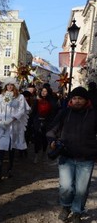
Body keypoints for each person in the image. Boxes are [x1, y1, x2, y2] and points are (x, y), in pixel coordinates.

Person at [46, 86, 97, 223]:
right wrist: (52, 140)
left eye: (80, 98)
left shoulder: (93, 114)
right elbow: (52, 129)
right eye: (74, 98)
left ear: (86, 100)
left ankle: (77, 212)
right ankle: (66, 206)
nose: (77, 101)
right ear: (71, 99)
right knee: (66, 187)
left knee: (81, 189)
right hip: (66, 156)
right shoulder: (65, 113)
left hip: (86, 158)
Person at [0, 77, 30, 182]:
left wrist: (12, 118)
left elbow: (21, 110)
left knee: (11, 148)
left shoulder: (20, 97)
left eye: (12, 85)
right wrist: (0, 120)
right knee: (1, 148)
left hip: (13, 126)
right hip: (2, 125)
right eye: (8, 85)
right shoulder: (0, 97)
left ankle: (10, 169)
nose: (10, 86)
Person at [30, 86, 58, 163]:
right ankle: (36, 155)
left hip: (47, 122)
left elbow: (54, 112)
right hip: (37, 122)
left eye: (45, 91)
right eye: (42, 91)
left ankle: (43, 154)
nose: (43, 92)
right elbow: (33, 112)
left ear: (48, 92)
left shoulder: (52, 101)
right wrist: (33, 121)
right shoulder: (37, 100)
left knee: (45, 139)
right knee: (37, 139)